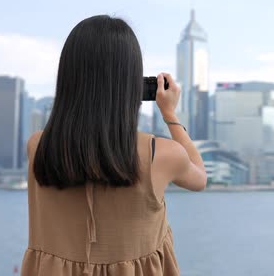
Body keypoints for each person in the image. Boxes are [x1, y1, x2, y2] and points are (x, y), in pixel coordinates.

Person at [21, 15, 207, 276]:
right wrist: (170, 115)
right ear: (131, 83)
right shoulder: (159, 154)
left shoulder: (38, 146)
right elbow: (200, 178)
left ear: (67, 78)